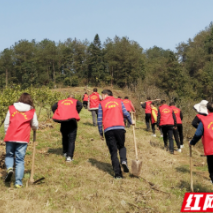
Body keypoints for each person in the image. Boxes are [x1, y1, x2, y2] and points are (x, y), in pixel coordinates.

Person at [4, 93, 39, 188]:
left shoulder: (11, 108)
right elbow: (35, 124)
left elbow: (6, 122)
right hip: (23, 138)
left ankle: (10, 168)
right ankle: (18, 182)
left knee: (9, 155)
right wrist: (35, 128)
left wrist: (7, 133)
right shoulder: (31, 111)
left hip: (10, 136)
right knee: (20, 160)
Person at [97, 89, 134, 179]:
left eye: (102, 95)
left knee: (113, 152)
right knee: (121, 146)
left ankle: (118, 174)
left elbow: (99, 120)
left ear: (105, 95)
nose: (101, 97)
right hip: (120, 127)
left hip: (108, 129)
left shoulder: (101, 104)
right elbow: (126, 113)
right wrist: (131, 121)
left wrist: (101, 132)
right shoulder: (119, 101)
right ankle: (124, 161)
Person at [52, 95, 82, 162]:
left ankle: (65, 152)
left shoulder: (61, 102)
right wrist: (76, 111)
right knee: (71, 139)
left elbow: (53, 107)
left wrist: (59, 114)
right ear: (73, 98)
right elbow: (80, 105)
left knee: (64, 137)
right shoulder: (75, 101)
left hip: (63, 122)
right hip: (72, 121)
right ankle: (69, 156)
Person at [189, 102, 213, 184]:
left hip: (211, 148)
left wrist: (192, 142)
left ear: (207, 110)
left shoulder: (204, 120)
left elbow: (198, 134)